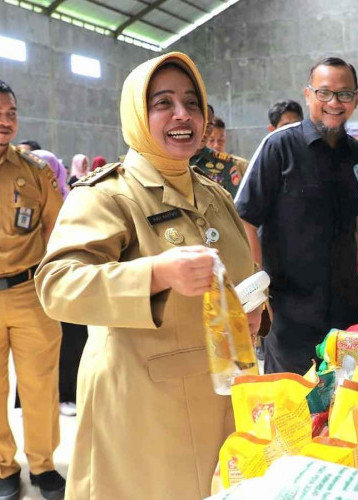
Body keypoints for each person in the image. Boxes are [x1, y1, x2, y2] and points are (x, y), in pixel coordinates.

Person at [35, 52, 261, 500]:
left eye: (192, 103)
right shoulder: (109, 195)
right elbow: (57, 285)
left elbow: (242, 274)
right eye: (163, 103)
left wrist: (255, 312)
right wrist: (155, 273)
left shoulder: (214, 195)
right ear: (138, 114)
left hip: (222, 398)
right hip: (144, 408)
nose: (183, 115)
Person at [235, 56, 358, 375]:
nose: (334, 103)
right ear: (308, 94)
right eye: (324, 93)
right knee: (293, 411)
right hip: (291, 314)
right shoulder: (278, 147)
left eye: (344, 94)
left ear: (356, 99)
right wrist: (257, 296)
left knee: (346, 399)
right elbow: (245, 219)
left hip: (346, 310)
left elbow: (354, 218)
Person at [0, 80, 65, 500]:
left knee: (40, 385)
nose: (5, 121)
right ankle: (3, 465)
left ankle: (42, 465)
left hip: (28, 291)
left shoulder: (35, 171)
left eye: (11, 113)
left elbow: (58, 229)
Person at [191, 108, 250, 200]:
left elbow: (235, 202)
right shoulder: (171, 160)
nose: (216, 145)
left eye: (221, 140)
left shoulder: (229, 164)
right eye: (212, 140)